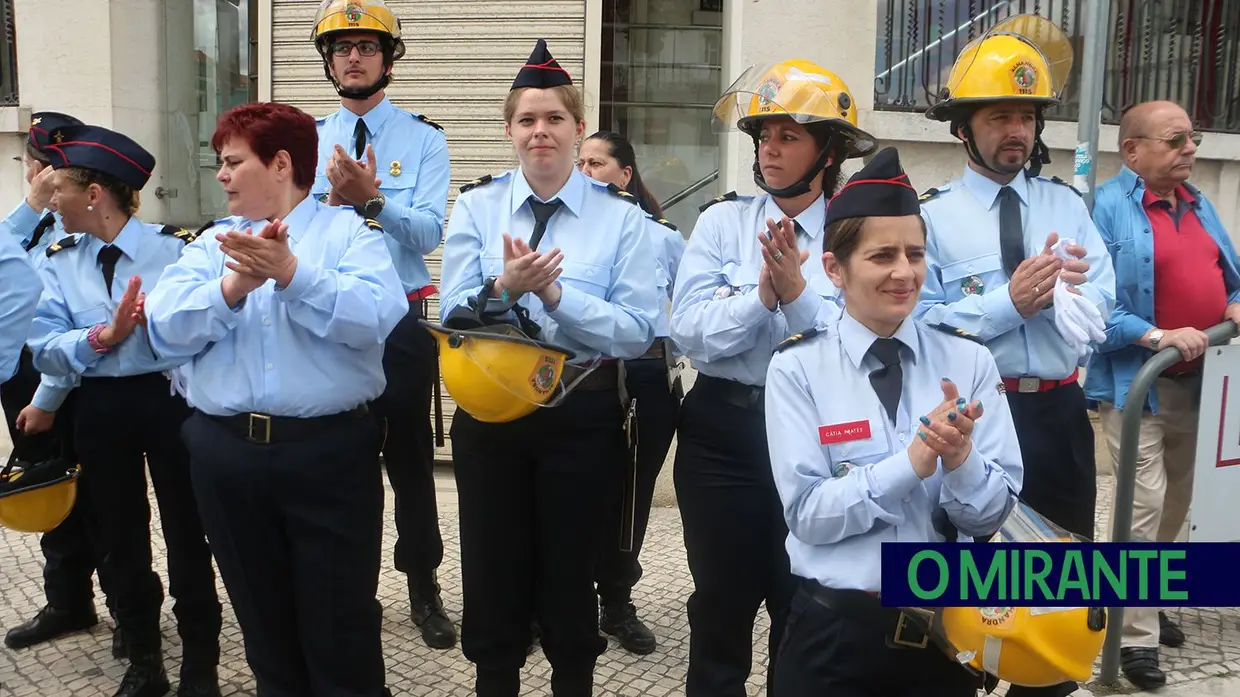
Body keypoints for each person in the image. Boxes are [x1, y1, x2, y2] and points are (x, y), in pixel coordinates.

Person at [144, 101, 407, 697]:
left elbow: (376, 319)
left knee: (340, 630)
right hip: (226, 456)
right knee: (263, 630)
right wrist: (233, 286)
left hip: (327, 456)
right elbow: (162, 331)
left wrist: (293, 274)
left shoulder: (348, 234)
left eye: (233, 162)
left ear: (281, 163)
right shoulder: (212, 245)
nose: (222, 176)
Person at [438, 39, 660, 697]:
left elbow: (635, 330)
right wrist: (504, 288)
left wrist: (558, 295)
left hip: (580, 415)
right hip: (491, 414)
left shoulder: (622, 221)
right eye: (528, 119)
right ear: (509, 130)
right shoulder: (478, 207)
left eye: (555, 118)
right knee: (491, 570)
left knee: (571, 574)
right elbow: (451, 312)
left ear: (578, 128)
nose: (541, 131)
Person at [765, 146, 1022, 697]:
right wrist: (910, 464)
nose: (905, 273)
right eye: (883, 256)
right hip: (835, 638)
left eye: (916, 253)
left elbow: (993, 514)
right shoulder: (797, 368)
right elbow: (808, 515)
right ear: (835, 268)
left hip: (944, 641)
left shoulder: (969, 361)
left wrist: (960, 461)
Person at [915, 20, 1117, 697]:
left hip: (1058, 416)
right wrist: (1008, 304)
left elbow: (1105, 298)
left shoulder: (1067, 207)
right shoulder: (931, 219)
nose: (1017, 131)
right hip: (977, 419)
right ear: (962, 128)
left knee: (1056, 589)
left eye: (1027, 117)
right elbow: (919, 320)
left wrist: (1080, 299)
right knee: (971, 595)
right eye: (1000, 115)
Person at [668, 58, 875, 697]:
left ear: (828, 150)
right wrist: (760, 298)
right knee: (720, 606)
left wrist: (798, 299)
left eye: (788, 135)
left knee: (806, 603)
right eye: (763, 135)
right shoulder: (722, 222)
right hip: (722, 432)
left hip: (822, 433)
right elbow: (689, 330)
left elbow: (859, 347)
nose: (770, 149)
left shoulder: (856, 233)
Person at [27, 123, 222, 697]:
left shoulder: (178, 250)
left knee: (189, 533)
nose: (49, 196)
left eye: (58, 186)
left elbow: (204, 334)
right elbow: (44, 345)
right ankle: (144, 657)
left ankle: (200, 664)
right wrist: (101, 336)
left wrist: (144, 337)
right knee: (119, 537)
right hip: (102, 407)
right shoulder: (58, 259)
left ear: (94, 194)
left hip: (169, 401)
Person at [308, 0, 456, 648]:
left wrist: (371, 200)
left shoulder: (424, 139)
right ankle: (350, 589)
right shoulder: (306, 138)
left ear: (388, 59)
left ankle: (423, 584)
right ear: (329, 62)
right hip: (332, 317)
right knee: (342, 460)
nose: (354, 56)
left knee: (411, 460)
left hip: (400, 317)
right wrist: (331, 204)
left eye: (367, 45)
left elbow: (427, 231)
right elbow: (298, 226)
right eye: (342, 48)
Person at [1084, 100, 1240, 689]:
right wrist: (1157, 335)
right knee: (1141, 510)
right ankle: (1132, 640)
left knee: (1177, 506)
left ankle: (1140, 599)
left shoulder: (1198, 204)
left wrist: (1232, 302)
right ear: (1133, 151)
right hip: (1138, 387)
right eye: (1176, 141)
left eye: (1192, 139)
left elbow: (1232, 273)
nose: (1190, 151)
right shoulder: (1106, 208)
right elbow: (1095, 307)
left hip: (1202, 385)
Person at [2, 111, 125, 657]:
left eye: (53, 170)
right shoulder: (22, 226)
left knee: (104, 496)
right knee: (43, 481)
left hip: (82, 369)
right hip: (23, 370)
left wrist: (49, 396)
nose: (44, 180)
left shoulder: (88, 225)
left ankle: (128, 609)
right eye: (38, 166)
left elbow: (86, 318)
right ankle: (68, 600)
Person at [578, 130, 684, 655]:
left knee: (632, 495)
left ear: (624, 175)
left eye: (596, 163)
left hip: (642, 376)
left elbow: (684, 315)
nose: (584, 171)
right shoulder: (565, 231)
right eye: (580, 163)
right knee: (571, 490)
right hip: (580, 376)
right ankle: (555, 598)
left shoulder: (661, 237)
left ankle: (616, 600)